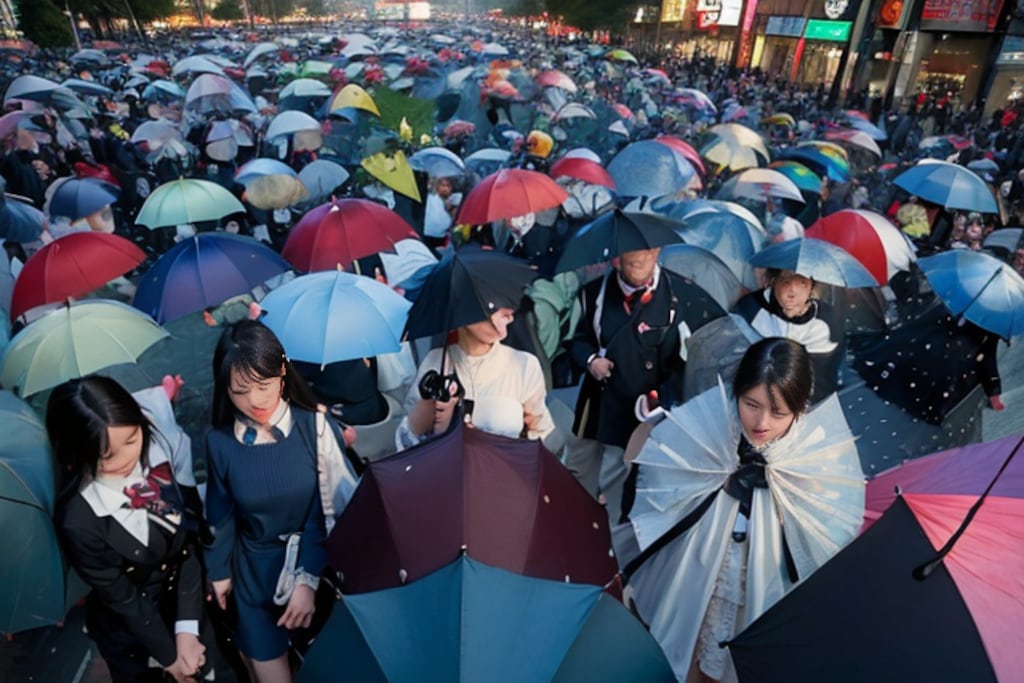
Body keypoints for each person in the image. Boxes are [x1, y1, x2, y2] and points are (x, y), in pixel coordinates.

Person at [623, 338, 865, 682]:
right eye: (751, 403)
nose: (762, 421)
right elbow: (662, 482)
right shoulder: (711, 425)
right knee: (686, 654)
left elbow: (832, 532)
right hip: (700, 576)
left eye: (779, 412)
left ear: (800, 408)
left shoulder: (817, 456)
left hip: (766, 590)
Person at [204, 320, 359, 683]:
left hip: (317, 571)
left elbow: (336, 509)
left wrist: (307, 578)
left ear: (282, 373)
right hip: (254, 578)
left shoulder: (315, 428)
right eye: (240, 391)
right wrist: (219, 572)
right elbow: (220, 513)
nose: (254, 401)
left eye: (263, 385)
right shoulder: (219, 442)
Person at [47, 377, 213, 683]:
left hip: (183, 611)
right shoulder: (79, 521)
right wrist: (170, 656)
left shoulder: (159, 462)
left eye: (133, 438)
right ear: (76, 452)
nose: (128, 459)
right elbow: (125, 600)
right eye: (107, 456)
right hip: (132, 637)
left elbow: (187, 546)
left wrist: (187, 630)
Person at [568, 246, 724, 518]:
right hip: (598, 401)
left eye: (647, 254)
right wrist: (591, 360)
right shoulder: (594, 292)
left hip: (644, 407)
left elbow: (690, 360)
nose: (640, 262)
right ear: (617, 259)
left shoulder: (679, 294)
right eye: (632, 259)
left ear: (657, 252)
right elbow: (578, 340)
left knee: (623, 478)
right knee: (579, 470)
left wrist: (661, 397)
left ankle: (614, 537)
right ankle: (575, 524)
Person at [395, 306, 557, 448]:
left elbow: (542, 433)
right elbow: (408, 443)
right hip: (446, 476)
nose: (509, 315)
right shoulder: (436, 361)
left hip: (506, 476)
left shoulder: (524, 364)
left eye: (508, 305)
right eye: (494, 306)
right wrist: (431, 410)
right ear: (463, 311)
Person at [733, 269, 840, 403]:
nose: (792, 292)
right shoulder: (750, 309)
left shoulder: (824, 324)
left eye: (802, 282)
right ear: (773, 282)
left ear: (812, 287)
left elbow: (822, 382)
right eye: (786, 281)